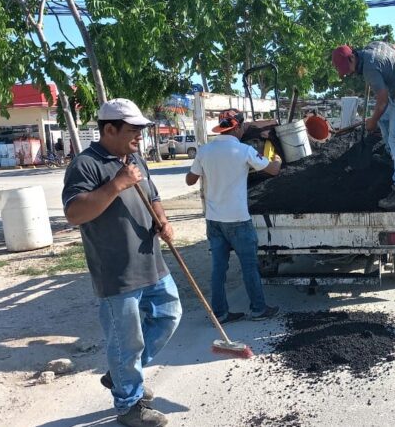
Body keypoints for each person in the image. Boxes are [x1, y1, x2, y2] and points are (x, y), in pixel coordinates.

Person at [62, 98, 181, 427]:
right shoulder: (86, 165)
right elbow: (74, 213)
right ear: (109, 129)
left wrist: (163, 220)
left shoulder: (135, 159)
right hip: (117, 271)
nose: (139, 136)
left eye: (141, 130)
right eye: (133, 130)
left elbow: (154, 197)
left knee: (170, 316)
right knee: (127, 340)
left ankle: (122, 374)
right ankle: (129, 405)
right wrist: (116, 184)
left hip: (152, 262)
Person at [185, 109, 282, 323]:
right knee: (249, 266)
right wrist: (277, 158)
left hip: (214, 220)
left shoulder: (204, 150)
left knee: (218, 268)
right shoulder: (244, 150)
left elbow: (190, 180)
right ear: (237, 127)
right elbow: (273, 170)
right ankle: (258, 309)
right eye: (242, 128)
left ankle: (220, 313)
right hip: (238, 219)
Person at [332, 41, 395, 209]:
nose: (350, 74)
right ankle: (391, 156)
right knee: (383, 118)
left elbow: (381, 102)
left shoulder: (369, 69)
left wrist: (371, 123)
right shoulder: (374, 45)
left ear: (352, 58)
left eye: (348, 70)